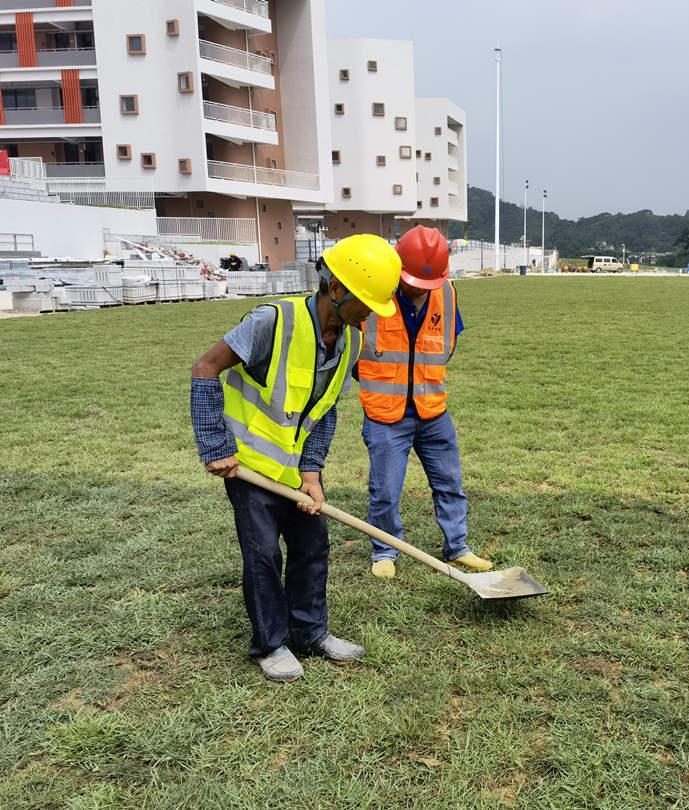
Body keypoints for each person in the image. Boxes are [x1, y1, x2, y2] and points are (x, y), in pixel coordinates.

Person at [191, 234, 401, 682]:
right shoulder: (273, 320)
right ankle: (271, 643)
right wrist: (215, 446)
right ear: (338, 288)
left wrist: (312, 473)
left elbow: (323, 412)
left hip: (292, 472)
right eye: (365, 301)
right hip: (247, 467)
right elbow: (205, 368)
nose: (370, 312)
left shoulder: (349, 343)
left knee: (312, 546)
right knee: (264, 553)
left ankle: (310, 633)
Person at [354, 225, 492, 579]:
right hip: (386, 415)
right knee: (385, 490)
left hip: (433, 410)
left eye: (425, 284)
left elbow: (447, 343)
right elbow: (351, 351)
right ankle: (385, 550)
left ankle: (457, 546)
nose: (417, 289)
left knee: (450, 483)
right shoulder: (372, 294)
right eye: (412, 281)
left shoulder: (446, 294)